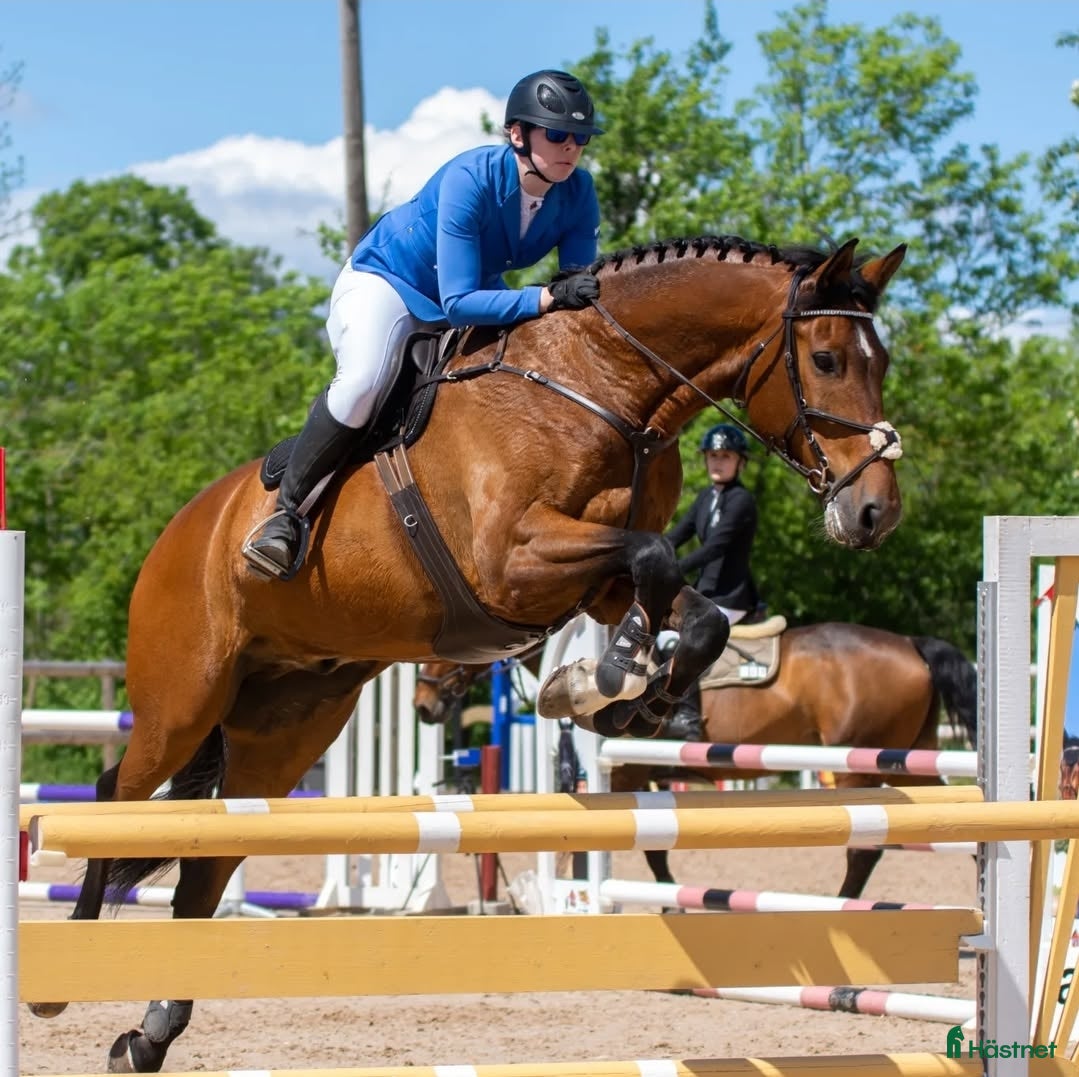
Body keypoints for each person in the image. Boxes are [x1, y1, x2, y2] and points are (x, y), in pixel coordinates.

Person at [243, 69, 605, 580]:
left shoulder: (578, 192)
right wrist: (545, 296)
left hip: (474, 289)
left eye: (581, 138)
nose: (572, 147)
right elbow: (458, 303)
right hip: (389, 283)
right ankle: (285, 515)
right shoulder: (470, 178)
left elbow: (574, 291)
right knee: (365, 380)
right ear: (517, 135)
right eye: (558, 135)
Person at [660, 422, 760, 740]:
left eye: (726, 456)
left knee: (682, 641)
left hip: (731, 597)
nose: (718, 462)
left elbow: (716, 546)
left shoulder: (742, 501)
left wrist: (675, 569)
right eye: (713, 455)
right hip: (707, 593)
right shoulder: (705, 497)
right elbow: (679, 534)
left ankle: (689, 717)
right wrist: (651, 553)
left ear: (740, 462)